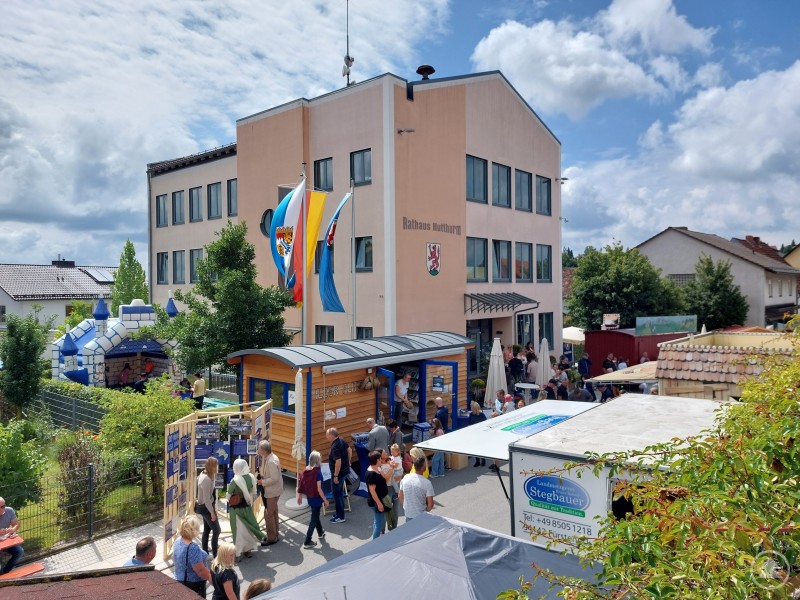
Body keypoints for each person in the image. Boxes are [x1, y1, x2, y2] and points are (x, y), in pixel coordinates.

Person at [227, 458, 265, 559]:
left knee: (238, 531)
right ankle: (248, 550)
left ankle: (238, 553)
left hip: (236, 509)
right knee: (247, 529)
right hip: (247, 507)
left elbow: (228, 495)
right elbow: (253, 491)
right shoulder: (251, 477)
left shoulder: (235, 481)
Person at [173, 515, 211, 597]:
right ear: (194, 530)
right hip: (194, 585)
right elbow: (200, 571)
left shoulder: (178, 540)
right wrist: (213, 581)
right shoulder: (192, 547)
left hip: (180, 580)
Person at [297, 450, 328, 548]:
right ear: (318, 461)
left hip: (310, 498)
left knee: (315, 515)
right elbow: (319, 489)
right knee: (313, 519)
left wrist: (300, 495)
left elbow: (301, 484)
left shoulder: (306, 470)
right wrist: (325, 500)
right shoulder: (317, 472)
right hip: (317, 498)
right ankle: (307, 540)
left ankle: (320, 532)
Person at [256, 440, 281, 546]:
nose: (258, 450)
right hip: (276, 490)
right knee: (274, 511)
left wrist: (263, 482)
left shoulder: (271, 461)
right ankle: (275, 534)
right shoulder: (271, 457)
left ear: (263, 450)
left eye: (259, 448)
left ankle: (271, 538)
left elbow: (275, 478)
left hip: (272, 491)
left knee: (268, 514)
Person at [195, 456, 220, 558]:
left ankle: (205, 552)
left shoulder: (204, 474)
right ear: (212, 467)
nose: (217, 467)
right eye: (216, 466)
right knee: (217, 530)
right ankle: (215, 554)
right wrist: (212, 513)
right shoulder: (206, 480)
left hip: (206, 507)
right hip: (206, 508)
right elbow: (206, 499)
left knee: (207, 530)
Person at [399, 455, 435, 522]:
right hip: (422, 516)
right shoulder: (427, 483)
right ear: (423, 468)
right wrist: (425, 511)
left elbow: (400, 496)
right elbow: (430, 504)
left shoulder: (405, 477)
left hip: (408, 515)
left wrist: (406, 508)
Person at [326, 427, 350, 523]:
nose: (326, 437)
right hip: (345, 471)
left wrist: (335, 475)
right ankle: (339, 513)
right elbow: (350, 450)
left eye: (327, 435)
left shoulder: (335, 447)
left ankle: (340, 516)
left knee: (337, 495)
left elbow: (338, 461)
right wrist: (348, 462)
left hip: (338, 474)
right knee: (339, 493)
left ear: (331, 435)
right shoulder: (342, 440)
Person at [365, 450, 389, 539]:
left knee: (377, 521)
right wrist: (379, 504)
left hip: (379, 500)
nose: (381, 459)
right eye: (380, 458)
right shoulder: (371, 474)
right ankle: (375, 543)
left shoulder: (376, 468)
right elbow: (372, 491)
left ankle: (376, 540)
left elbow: (384, 478)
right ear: (377, 460)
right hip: (376, 502)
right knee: (379, 524)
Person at [0, 497, 23, 574]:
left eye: (3, 506)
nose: (1, 509)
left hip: (6, 541)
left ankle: (5, 573)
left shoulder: (9, 510)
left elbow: (16, 524)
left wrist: (12, 529)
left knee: (19, 552)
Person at [378, 448, 398, 531]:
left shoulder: (390, 460)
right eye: (384, 453)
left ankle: (394, 529)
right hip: (386, 490)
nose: (386, 453)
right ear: (380, 456)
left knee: (395, 512)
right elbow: (385, 478)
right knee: (386, 512)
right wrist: (392, 468)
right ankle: (382, 532)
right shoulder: (379, 467)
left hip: (395, 488)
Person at [468, 401, 487, 467]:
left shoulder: (481, 415)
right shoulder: (471, 414)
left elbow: (485, 423)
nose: (471, 408)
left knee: (482, 447)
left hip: (481, 434)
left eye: (472, 407)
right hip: (474, 433)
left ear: (475, 408)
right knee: (476, 448)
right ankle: (477, 461)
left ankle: (483, 460)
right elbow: (469, 423)